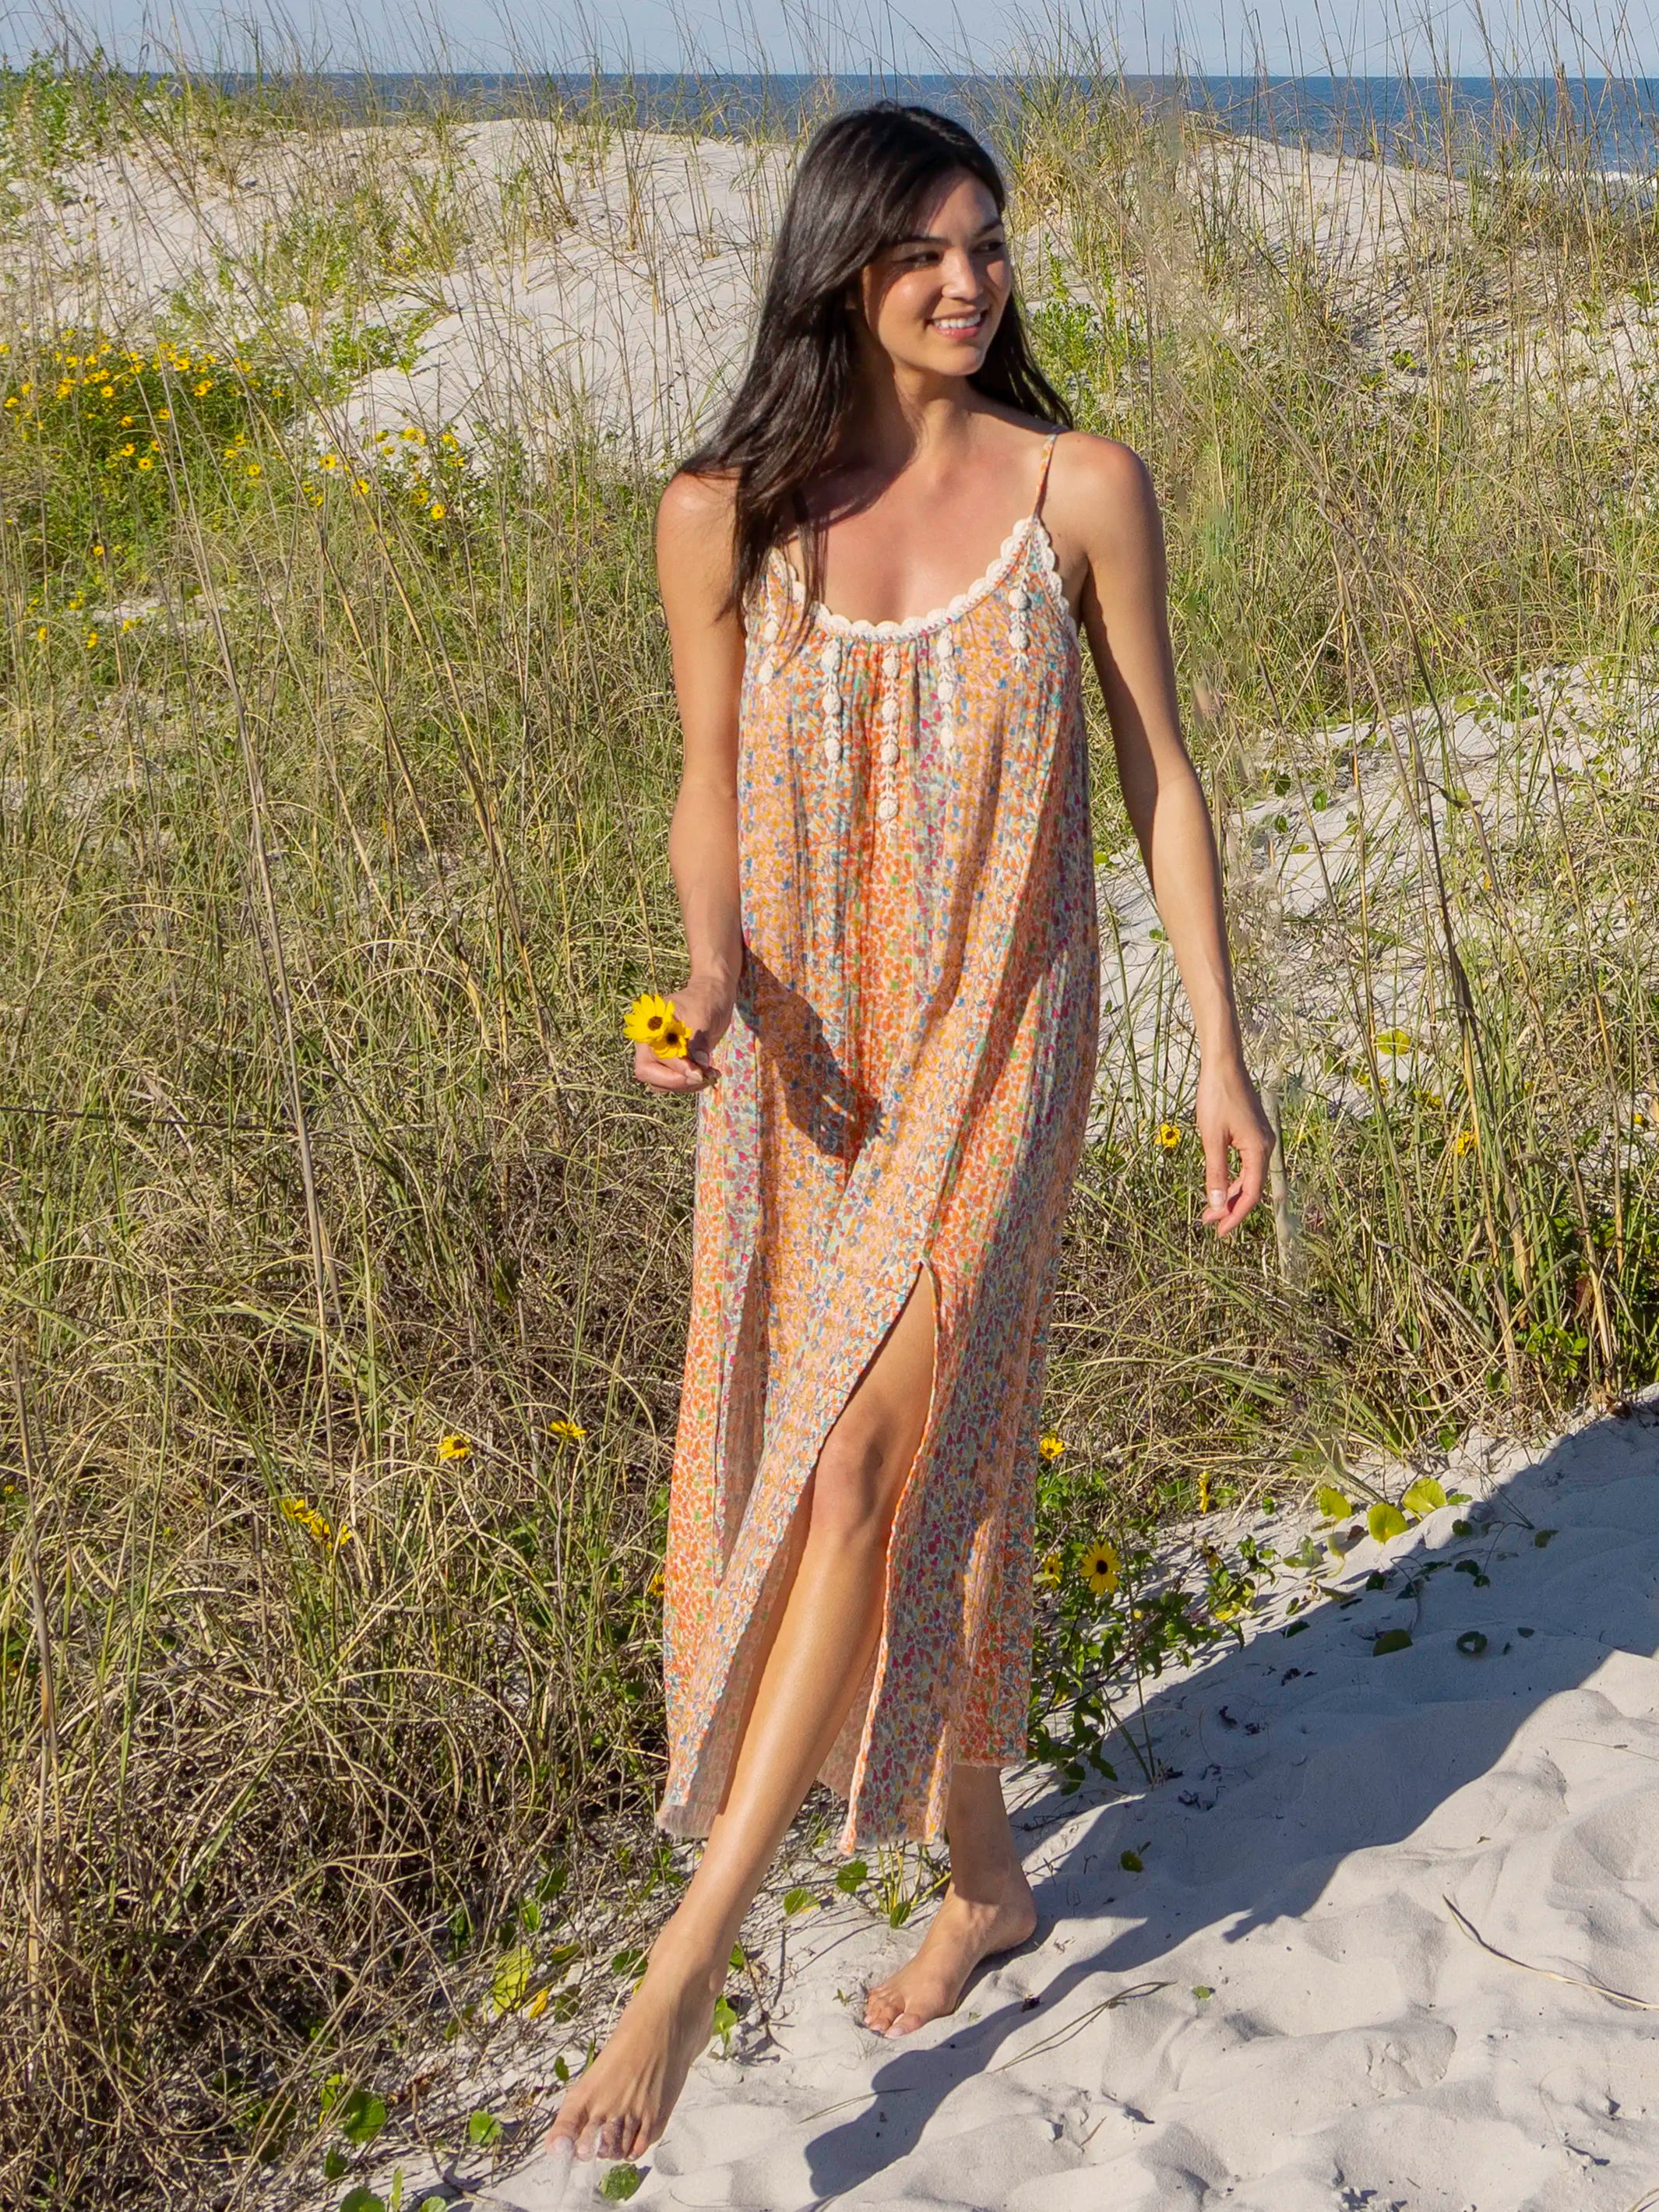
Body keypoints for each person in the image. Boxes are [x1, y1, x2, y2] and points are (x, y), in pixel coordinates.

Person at [548, 100, 1272, 2174]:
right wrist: (707, 976)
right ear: (840, 266)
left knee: (865, 1458)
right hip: (810, 1052)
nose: (970, 281)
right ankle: (983, 1873)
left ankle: (687, 1959)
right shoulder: (721, 515)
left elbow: (1163, 781)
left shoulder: (1076, 487)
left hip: (1007, 1029)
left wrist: (1220, 1055)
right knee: (917, 1458)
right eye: (924, 250)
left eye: (990, 243)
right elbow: (705, 782)